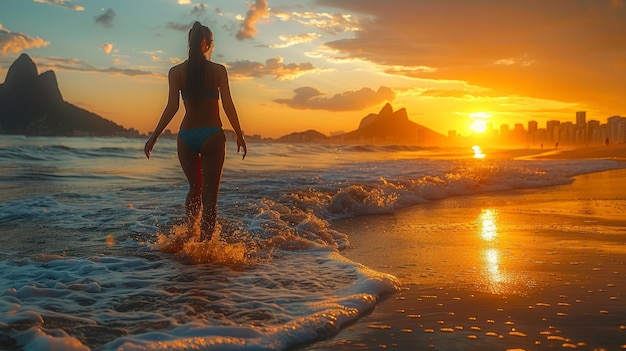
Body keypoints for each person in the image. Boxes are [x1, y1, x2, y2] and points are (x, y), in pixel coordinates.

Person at [144, 21, 247, 241]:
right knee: (210, 198)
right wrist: (239, 134)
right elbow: (228, 105)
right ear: (209, 44)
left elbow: (172, 107)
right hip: (212, 135)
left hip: (186, 138)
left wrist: (154, 137)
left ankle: (191, 234)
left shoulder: (176, 72)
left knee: (195, 189)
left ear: (189, 42)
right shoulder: (218, 71)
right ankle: (204, 246)